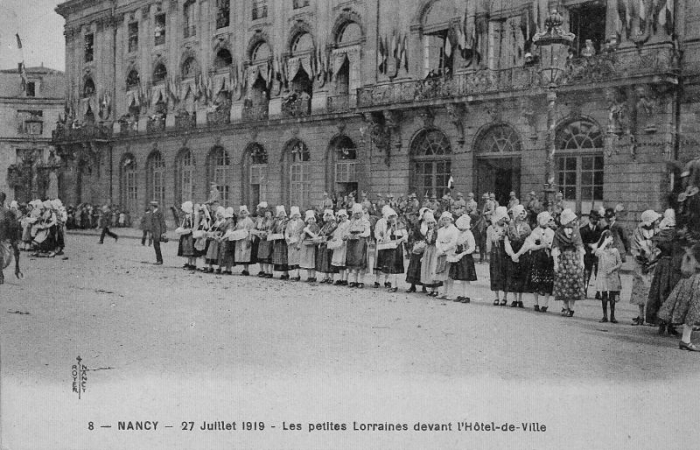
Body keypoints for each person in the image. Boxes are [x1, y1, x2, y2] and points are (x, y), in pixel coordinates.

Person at [657, 243, 700, 351]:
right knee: (692, 310)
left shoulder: (693, 247)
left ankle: (685, 340)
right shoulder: (694, 249)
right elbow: (692, 266)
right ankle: (685, 341)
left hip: (690, 281)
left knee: (691, 310)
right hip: (695, 282)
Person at [646, 209, 682, 335]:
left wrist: (653, 261)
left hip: (662, 265)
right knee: (672, 293)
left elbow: (658, 250)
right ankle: (670, 324)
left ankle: (661, 324)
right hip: (673, 265)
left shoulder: (661, 233)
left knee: (660, 292)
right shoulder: (676, 235)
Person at [630, 210, 661, 325]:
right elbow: (633, 248)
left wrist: (653, 258)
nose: (657, 222)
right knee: (641, 290)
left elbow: (659, 248)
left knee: (652, 291)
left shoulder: (657, 232)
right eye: (655, 220)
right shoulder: (637, 232)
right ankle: (641, 315)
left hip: (654, 265)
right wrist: (641, 257)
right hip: (641, 265)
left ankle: (650, 316)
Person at [552, 209, 585, 317]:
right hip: (563, 259)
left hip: (574, 259)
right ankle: (565, 306)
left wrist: (581, 261)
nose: (573, 222)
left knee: (574, 282)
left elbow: (580, 247)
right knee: (563, 284)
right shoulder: (558, 232)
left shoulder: (576, 231)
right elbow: (555, 248)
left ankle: (571, 307)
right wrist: (555, 263)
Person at [522, 211, 555, 312]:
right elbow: (529, 245)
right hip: (538, 257)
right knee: (536, 280)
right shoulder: (535, 231)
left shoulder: (551, 232)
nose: (547, 222)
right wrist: (540, 245)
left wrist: (549, 246)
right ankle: (536, 303)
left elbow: (554, 244)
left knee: (548, 280)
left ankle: (545, 303)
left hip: (548, 258)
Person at [504, 205, 532, 308]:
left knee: (522, 275)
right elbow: (506, 241)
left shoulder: (527, 227)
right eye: (520, 213)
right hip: (513, 251)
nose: (522, 215)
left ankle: (520, 299)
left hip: (522, 253)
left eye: (523, 213)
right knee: (513, 275)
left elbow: (528, 242)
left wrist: (519, 254)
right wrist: (512, 254)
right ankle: (514, 299)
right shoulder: (509, 227)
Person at [375, 206, 407, 292]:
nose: (392, 219)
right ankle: (392, 285)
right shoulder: (388, 227)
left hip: (397, 248)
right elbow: (386, 236)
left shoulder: (400, 225)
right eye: (390, 217)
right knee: (390, 267)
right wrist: (383, 239)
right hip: (390, 247)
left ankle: (394, 286)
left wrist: (399, 240)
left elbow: (406, 236)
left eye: (393, 216)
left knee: (395, 267)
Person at [594, 230, 623, 323]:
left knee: (612, 296)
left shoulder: (615, 251)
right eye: (608, 240)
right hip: (603, 275)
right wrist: (604, 242)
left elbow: (619, 263)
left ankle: (612, 316)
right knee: (604, 295)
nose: (610, 242)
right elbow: (597, 253)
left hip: (612, 275)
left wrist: (613, 269)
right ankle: (604, 315)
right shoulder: (601, 251)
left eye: (611, 240)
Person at [448, 214, 477, 303]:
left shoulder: (469, 234)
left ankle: (467, 295)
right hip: (458, 256)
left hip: (465, 257)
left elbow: (472, 247)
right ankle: (462, 294)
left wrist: (463, 254)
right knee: (461, 277)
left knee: (466, 278)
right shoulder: (459, 233)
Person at [344, 203, 371, 288]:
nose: (358, 215)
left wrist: (360, 235)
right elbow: (347, 231)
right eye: (356, 213)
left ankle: (361, 281)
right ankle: (354, 280)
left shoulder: (365, 221)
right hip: (352, 242)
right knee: (353, 261)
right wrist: (349, 235)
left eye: (359, 213)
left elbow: (368, 232)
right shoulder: (351, 222)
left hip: (360, 242)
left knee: (360, 261)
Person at [580, 210, 604, 298]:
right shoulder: (583, 230)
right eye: (594, 219)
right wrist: (589, 245)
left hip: (597, 253)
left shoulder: (599, 229)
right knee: (587, 272)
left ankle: (598, 292)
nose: (596, 221)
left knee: (598, 272)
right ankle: (584, 290)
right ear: (590, 219)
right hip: (587, 253)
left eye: (597, 219)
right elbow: (580, 242)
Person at [487, 206, 509, 305]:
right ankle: (496, 296)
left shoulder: (507, 227)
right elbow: (488, 241)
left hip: (504, 251)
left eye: (504, 218)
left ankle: (505, 296)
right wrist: (489, 252)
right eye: (501, 218)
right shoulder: (491, 228)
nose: (503, 220)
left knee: (505, 273)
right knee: (495, 273)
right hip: (495, 252)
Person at [435, 211, 459, 300]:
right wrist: (440, 249)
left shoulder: (454, 230)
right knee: (442, 272)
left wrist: (445, 249)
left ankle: (450, 292)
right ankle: (444, 292)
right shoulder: (440, 230)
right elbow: (437, 240)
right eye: (444, 220)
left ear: (451, 220)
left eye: (447, 220)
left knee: (449, 273)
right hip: (441, 250)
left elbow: (453, 242)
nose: (445, 221)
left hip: (449, 251)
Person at [405, 208, 429, 293]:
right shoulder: (417, 224)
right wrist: (416, 242)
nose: (425, 217)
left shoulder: (431, 225)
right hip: (418, 246)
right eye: (424, 215)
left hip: (427, 246)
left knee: (424, 266)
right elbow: (413, 235)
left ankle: (424, 286)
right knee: (414, 266)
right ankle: (413, 285)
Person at [419, 211, 440, 296]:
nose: (430, 224)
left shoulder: (436, 232)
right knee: (428, 269)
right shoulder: (428, 232)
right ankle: (431, 289)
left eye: (432, 223)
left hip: (434, 250)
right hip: (428, 250)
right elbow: (427, 242)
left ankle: (436, 289)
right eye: (429, 223)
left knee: (433, 268)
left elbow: (436, 242)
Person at [315, 209, 338, 284]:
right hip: (324, 243)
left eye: (329, 215)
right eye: (326, 215)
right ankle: (326, 276)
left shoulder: (334, 224)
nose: (328, 217)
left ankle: (331, 277)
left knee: (330, 259)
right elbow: (321, 233)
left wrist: (329, 237)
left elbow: (334, 233)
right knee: (325, 260)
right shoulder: (325, 225)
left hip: (330, 242)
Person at [299, 210, 320, 282]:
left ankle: (313, 276)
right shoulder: (306, 226)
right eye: (309, 219)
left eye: (312, 219)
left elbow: (316, 236)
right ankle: (309, 276)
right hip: (306, 244)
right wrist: (303, 234)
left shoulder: (316, 226)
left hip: (313, 244)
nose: (311, 220)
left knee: (312, 260)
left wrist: (308, 231)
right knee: (308, 260)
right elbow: (302, 236)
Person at [233, 205, 255, 275]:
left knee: (246, 253)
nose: (243, 214)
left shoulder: (249, 221)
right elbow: (236, 228)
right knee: (241, 253)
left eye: (244, 213)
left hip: (246, 239)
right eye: (242, 213)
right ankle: (244, 268)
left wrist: (249, 239)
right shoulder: (239, 221)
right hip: (239, 238)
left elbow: (251, 231)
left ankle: (246, 269)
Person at [254, 206, 275, 278]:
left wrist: (268, 233)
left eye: (268, 213)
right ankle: (265, 271)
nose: (267, 215)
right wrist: (260, 233)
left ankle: (270, 272)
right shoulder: (263, 221)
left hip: (270, 240)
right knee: (262, 256)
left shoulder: (273, 221)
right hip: (262, 239)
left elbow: (273, 229)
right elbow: (259, 228)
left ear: (271, 214)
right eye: (266, 213)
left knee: (269, 256)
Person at [285, 206, 305, 281]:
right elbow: (287, 231)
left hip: (298, 241)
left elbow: (303, 233)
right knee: (292, 258)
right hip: (291, 242)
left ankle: (297, 274)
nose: (295, 216)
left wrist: (300, 242)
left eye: (296, 215)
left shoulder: (301, 222)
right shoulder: (289, 223)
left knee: (297, 258)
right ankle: (294, 273)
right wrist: (287, 237)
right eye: (294, 215)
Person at [331, 209, 350, 285]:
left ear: (346, 216)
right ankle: (341, 278)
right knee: (340, 263)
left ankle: (346, 278)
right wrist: (335, 238)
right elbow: (336, 233)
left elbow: (349, 232)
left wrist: (346, 236)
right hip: (339, 244)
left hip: (346, 244)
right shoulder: (338, 224)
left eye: (344, 216)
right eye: (340, 217)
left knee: (345, 262)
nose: (342, 218)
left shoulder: (349, 223)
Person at [271, 206, 290, 279]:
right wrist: (271, 232)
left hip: (284, 241)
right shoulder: (275, 221)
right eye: (280, 214)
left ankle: (286, 273)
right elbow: (272, 229)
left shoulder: (287, 221)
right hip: (277, 240)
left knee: (284, 256)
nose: (281, 215)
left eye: (282, 213)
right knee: (279, 256)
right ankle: (282, 272)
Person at [176, 201, 196, 270]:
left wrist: (190, 229)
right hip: (186, 233)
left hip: (191, 234)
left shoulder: (193, 216)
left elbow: (194, 225)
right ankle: (189, 262)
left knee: (191, 249)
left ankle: (193, 264)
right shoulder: (186, 216)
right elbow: (183, 224)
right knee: (186, 248)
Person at [149, 200, 167, 265]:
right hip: (155, 232)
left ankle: (159, 260)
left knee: (157, 246)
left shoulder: (159, 213)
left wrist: (163, 233)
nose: (150, 207)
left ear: (153, 206)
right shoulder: (154, 213)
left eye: (151, 206)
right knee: (156, 246)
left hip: (158, 232)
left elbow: (162, 223)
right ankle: (159, 260)